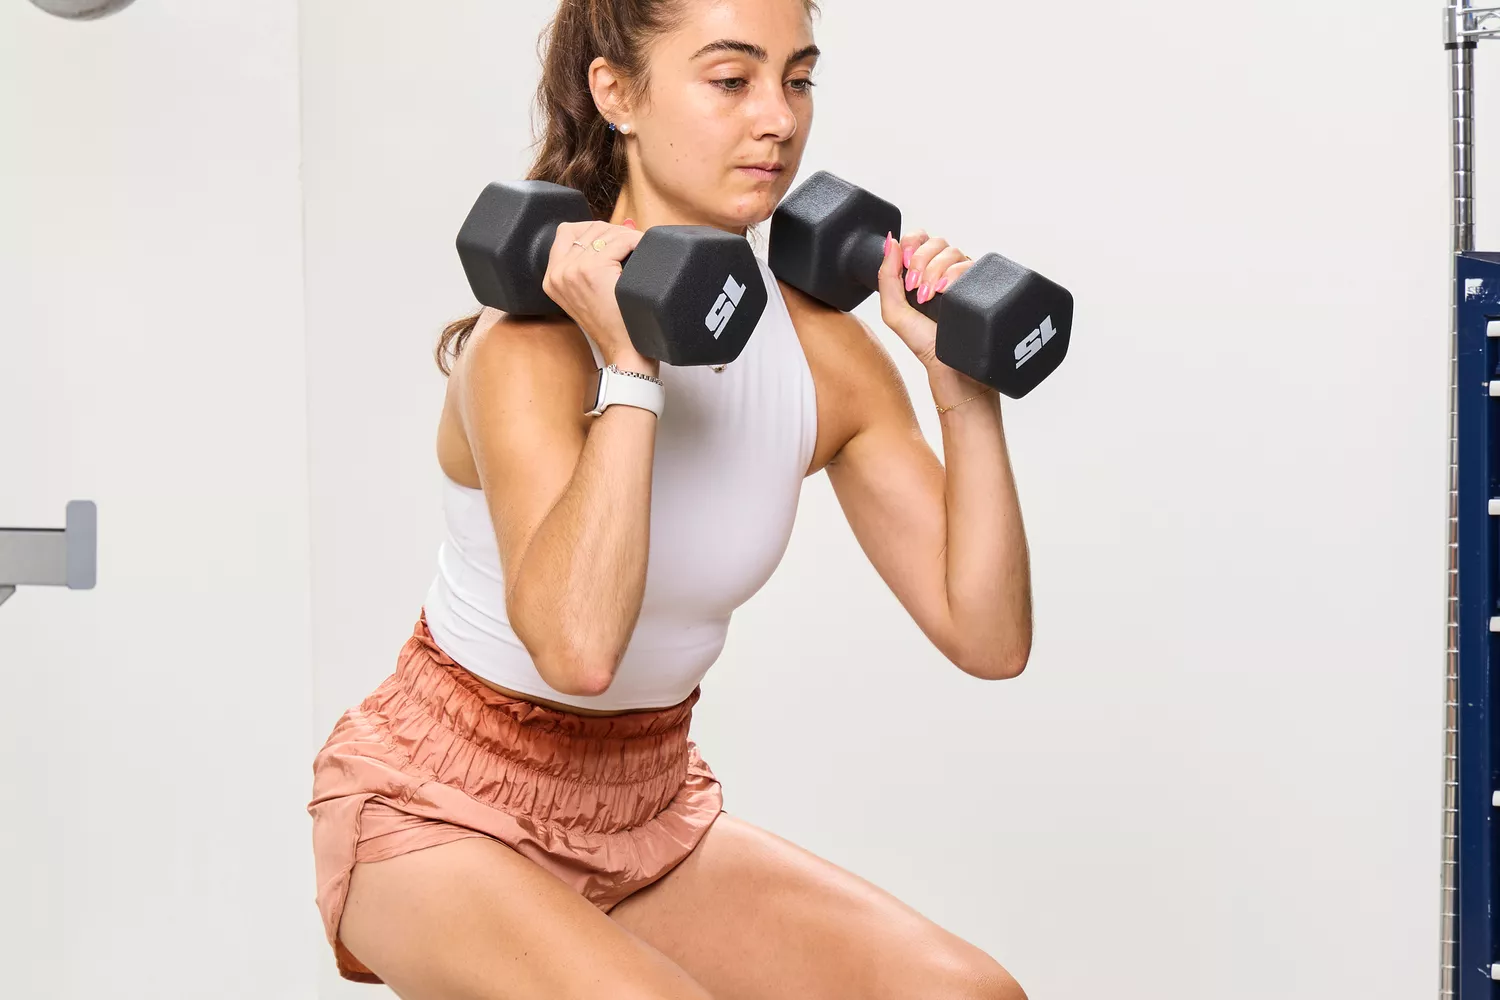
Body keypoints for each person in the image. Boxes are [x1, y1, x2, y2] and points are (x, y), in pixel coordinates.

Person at [308, 1, 1033, 996]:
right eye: (732, 80)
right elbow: (579, 651)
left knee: (964, 994)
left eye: (799, 77)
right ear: (617, 94)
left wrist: (964, 392)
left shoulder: (825, 353)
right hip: (436, 806)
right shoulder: (522, 350)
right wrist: (630, 364)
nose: (777, 118)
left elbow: (986, 638)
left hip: (645, 811)